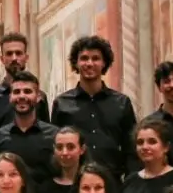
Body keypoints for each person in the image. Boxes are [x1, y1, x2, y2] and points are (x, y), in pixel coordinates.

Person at [49, 36, 137, 177]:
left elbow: (131, 148)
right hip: (74, 182)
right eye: (84, 58)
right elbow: (55, 148)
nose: (89, 63)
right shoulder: (62, 103)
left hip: (113, 181)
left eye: (95, 58)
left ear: (104, 63)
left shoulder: (122, 102)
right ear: (76, 63)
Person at [0, 71, 60, 184]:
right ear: (10, 97)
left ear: (38, 97)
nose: (22, 96)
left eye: (27, 91)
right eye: (17, 92)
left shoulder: (55, 136)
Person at [0, 32, 49, 128]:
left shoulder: (40, 97)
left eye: (18, 53)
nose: (14, 58)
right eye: (9, 54)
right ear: (2, 59)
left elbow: (46, 132)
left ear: (26, 57)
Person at [37, 127, 86, 193]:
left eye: (70, 147)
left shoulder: (92, 185)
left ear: (82, 149)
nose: (64, 152)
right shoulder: (45, 188)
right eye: (59, 147)